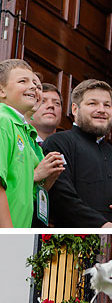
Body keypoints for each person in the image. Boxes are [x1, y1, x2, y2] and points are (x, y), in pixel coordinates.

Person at [43, 77, 112, 226]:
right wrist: (101, 225)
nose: (101, 110)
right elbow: (61, 197)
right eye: (93, 103)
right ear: (75, 109)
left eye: (107, 105)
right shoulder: (59, 143)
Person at [0, 57, 64, 227]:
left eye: (36, 85)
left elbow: (27, 194)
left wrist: (47, 179)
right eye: (23, 81)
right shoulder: (3, 121)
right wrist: (8, 235)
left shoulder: (23, 131)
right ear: (1, 91)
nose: (33, 87)